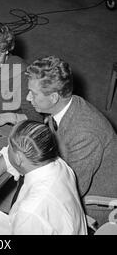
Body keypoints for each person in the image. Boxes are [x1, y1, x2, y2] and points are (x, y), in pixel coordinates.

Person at [0, 120, 87, 235]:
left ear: (19, 158)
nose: (6, 150)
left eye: (9, 147)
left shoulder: (28, 211)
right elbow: (13, 158)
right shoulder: (57, 163)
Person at [25, 55, 117, 202]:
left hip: (92, 201)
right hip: (64, 170)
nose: (28, 98)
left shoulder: (85, 135)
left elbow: (72, 189)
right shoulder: (63, 107)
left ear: (54, 98)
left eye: (34, 94)